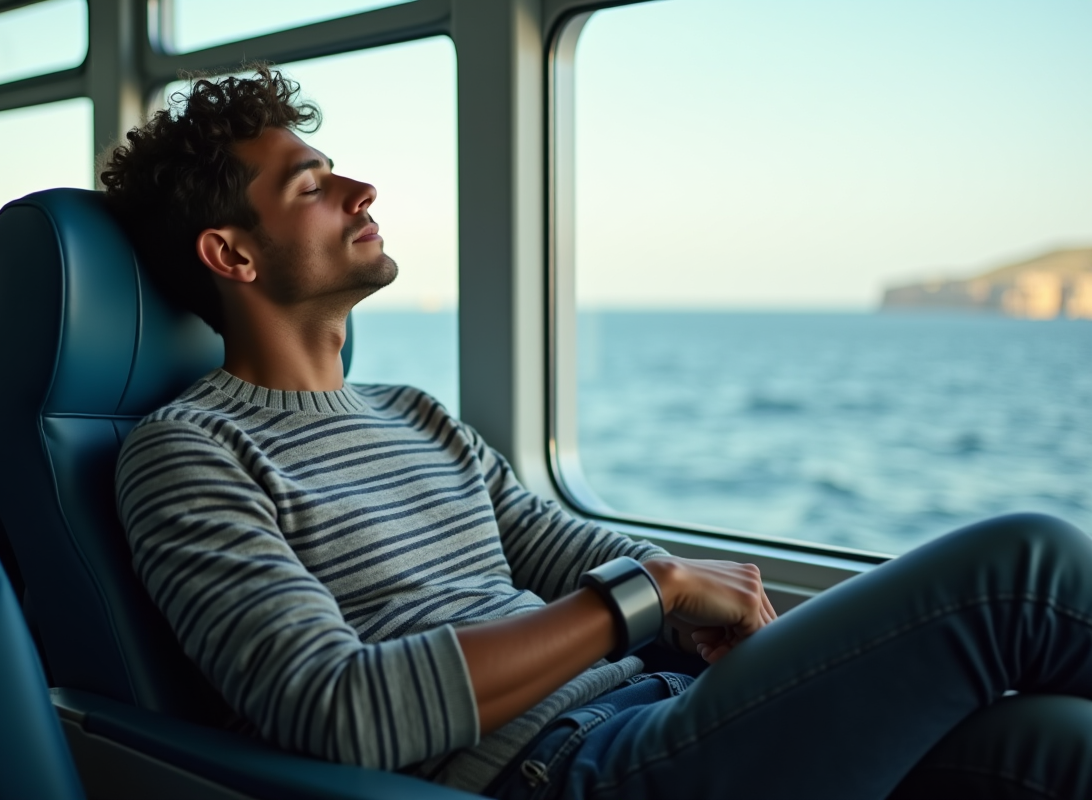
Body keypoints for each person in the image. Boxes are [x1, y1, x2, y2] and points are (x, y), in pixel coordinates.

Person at [105, 66, 1092, 800]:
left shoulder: (416, 413)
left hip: (656, 708)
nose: (361, 189)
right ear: (229, 251)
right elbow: (339, 710)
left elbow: (574, 547)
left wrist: (756, 634)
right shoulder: (188, 450)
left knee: (1053, 741)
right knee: (1023, 566)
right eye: (313, 185)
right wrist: (654, 591)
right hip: (565, 768)